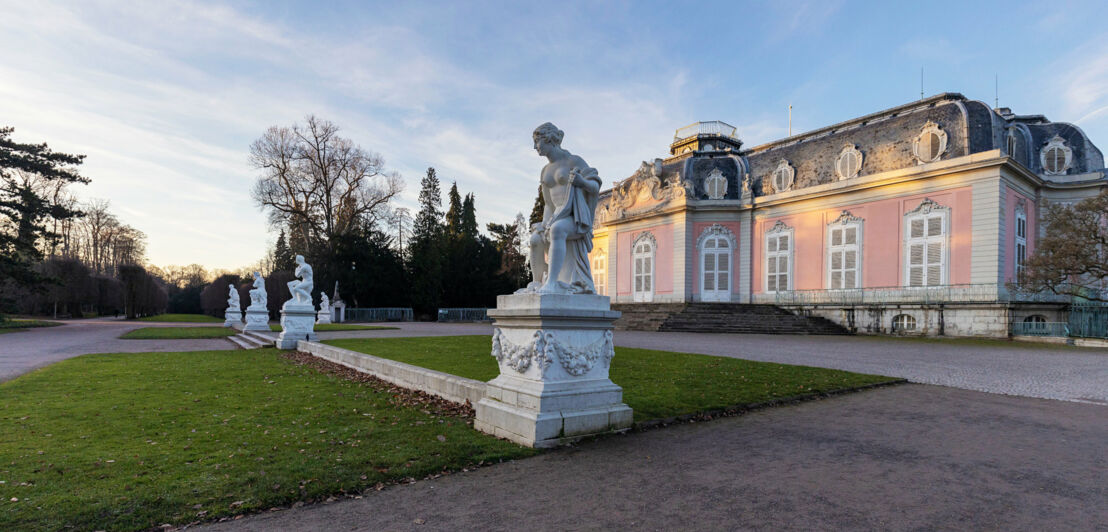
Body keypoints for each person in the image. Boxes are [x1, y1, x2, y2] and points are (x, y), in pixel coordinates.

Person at [525, 122, 603, 294]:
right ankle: (537, 282)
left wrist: (581, 182)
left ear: (549, 139)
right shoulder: (545, 171)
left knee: (557, 229)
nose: (534, 146)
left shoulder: (573, 161)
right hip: (555, 216)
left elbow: (595, 187)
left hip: (575, 218)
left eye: (537, 141)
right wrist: (544, 224)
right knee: (535, 239)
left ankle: (552, 283)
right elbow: (548, 204)